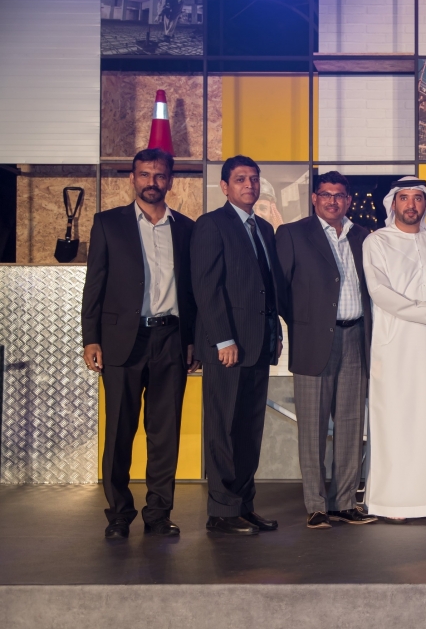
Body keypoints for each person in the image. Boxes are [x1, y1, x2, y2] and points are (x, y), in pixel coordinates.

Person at [82, 148, 199, 539]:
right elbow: (94, 285)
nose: (152, 181)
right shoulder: (108, 224)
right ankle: (118, 514)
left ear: (170, 180)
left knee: (165, 434)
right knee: (119, 431)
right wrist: (91, 338)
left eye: (160, 175)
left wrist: (191, 339)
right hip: (121, 342)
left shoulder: (186, 228)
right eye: (145, 174)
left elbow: (192, 292)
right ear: (133, 178)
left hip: (171, 339)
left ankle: (158, 514)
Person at [362, 177, 426, 521]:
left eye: (418, 198)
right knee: (397, 420)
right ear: (393, 203)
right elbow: (381, 293)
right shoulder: (377, 241)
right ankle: (393, 502)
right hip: (395, 345)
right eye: (404, 198)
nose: (411, 205)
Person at [275, 171, 376, 530]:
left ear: (348, 200)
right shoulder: (292, 234)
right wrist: (304, 323)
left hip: (356, 337)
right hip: (313, 341)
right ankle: (316, 505)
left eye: (340, 195)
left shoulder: (363, 236)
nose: (333, 201)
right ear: (314, 198)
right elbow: (280, 289)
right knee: (313, 429)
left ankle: (345, 502)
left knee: (350, 426)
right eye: (326, 194)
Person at [191, 155, 286, 536]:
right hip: (227, 347)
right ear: (225, 187)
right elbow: (206, 286)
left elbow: (267, 288)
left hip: (258, 344)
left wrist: (276, 334)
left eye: (254, 178)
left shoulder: (263, 228)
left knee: (249, 429)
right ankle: (222, 511)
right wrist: (222, 338)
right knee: (223, 429)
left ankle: (244, 506)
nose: (250, 185)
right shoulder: (211, 224)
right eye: (241, 179)